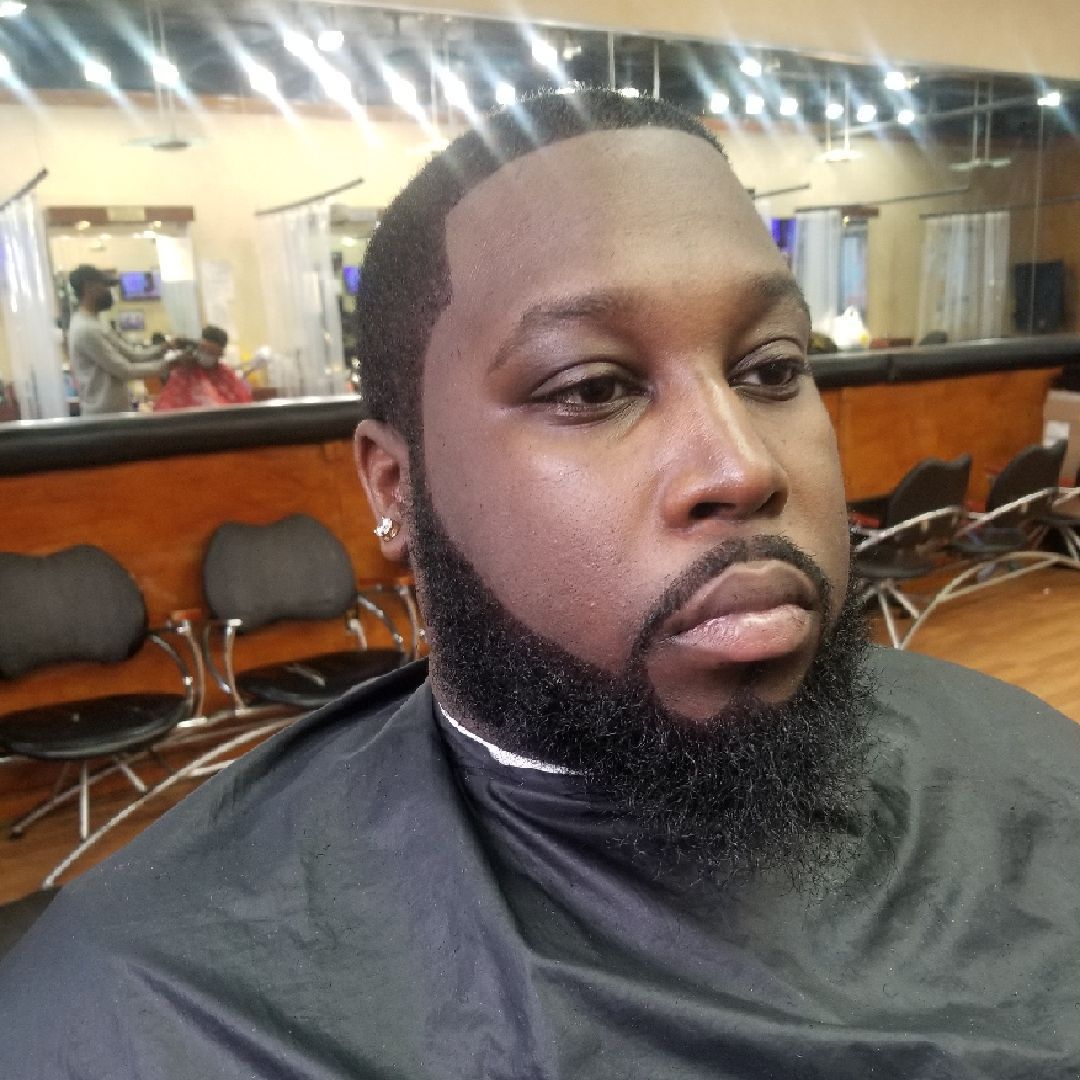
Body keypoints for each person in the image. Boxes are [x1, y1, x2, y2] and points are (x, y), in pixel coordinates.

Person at [2, 91, 1079, 1078]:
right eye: (594, 386)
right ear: (395, 484)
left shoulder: (1033, 769)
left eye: (772, 369)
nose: (742, 464)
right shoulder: (156, 1013)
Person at [65, 264, 169, 416]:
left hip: (115, 412)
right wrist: (168, 365)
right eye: (105, 286)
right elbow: (125, 370)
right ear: (89, 287)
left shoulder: (96, 322)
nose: (110, 292)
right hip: (103, 417)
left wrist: (164, 348)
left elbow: (131, 354)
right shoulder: (85, 329)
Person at [153, 324, 254, 411]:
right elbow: (166, 408)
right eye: (203, 349)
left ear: (221, 354)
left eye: (212, 352)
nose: (206, 354)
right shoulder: (184, 372)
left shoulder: (227, 376)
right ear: (198, 347)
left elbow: (242, 407)